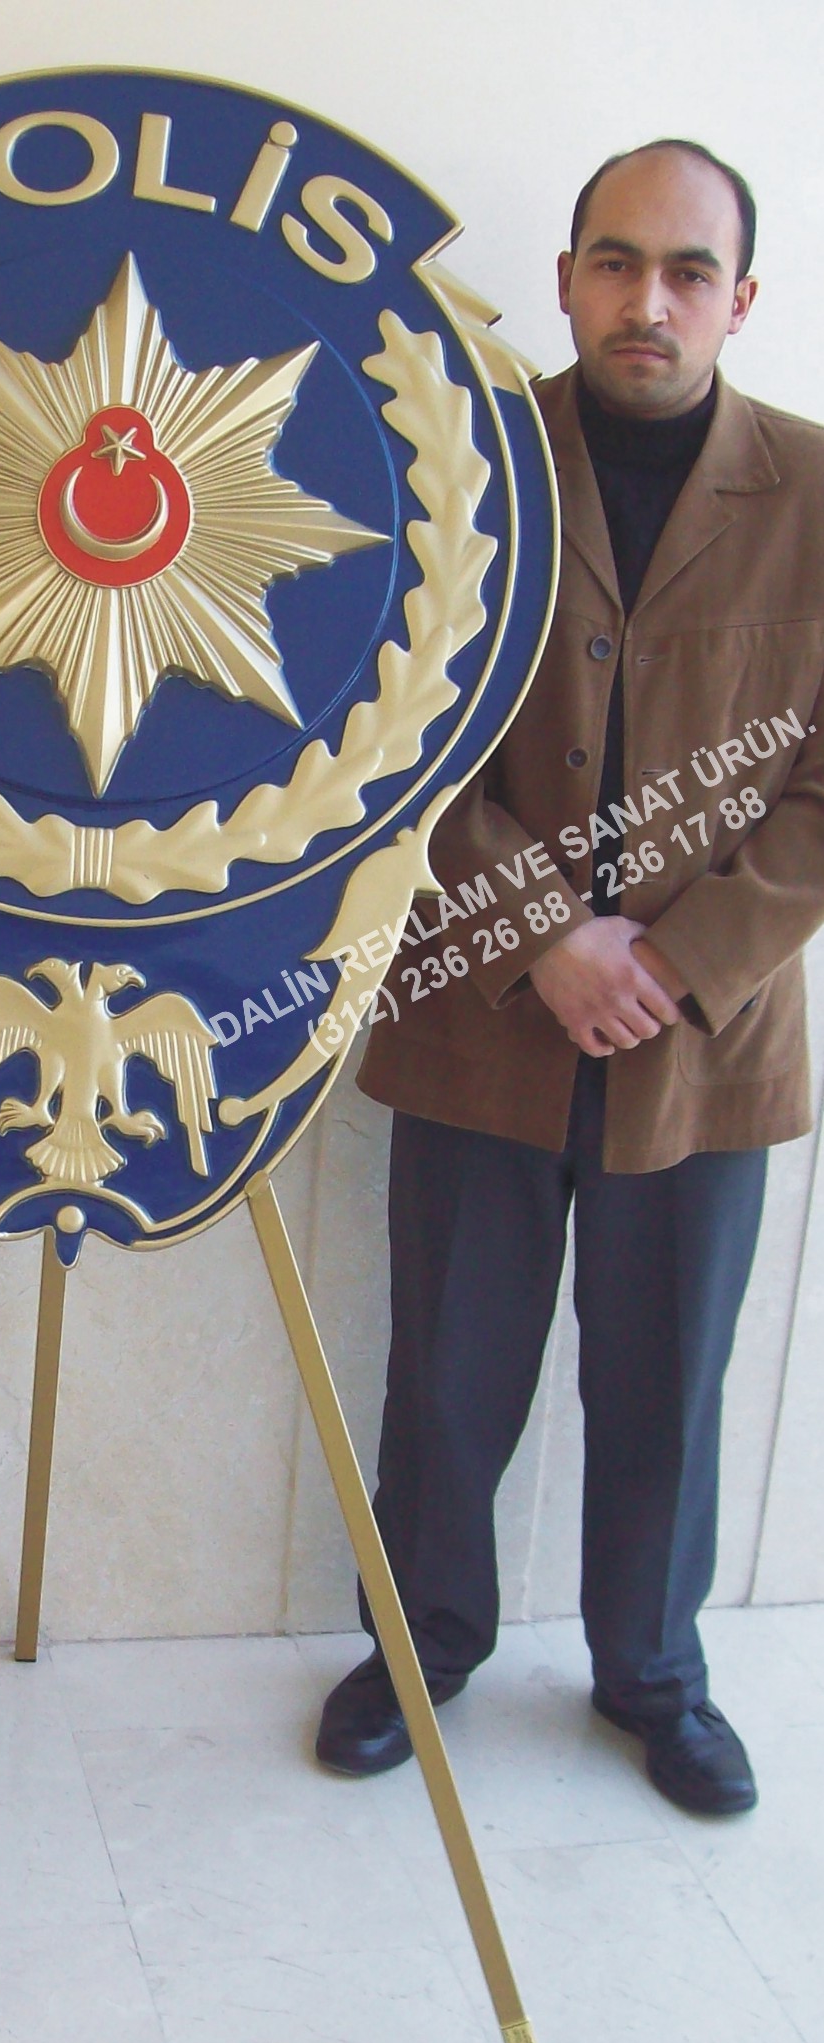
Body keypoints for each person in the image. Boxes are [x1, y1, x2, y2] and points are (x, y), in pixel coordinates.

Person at [319, 139, 824, 1815]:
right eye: (617, 263)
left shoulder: (819, 496)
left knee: (667, 1378)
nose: (648, 300)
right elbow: (384, 736)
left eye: (688, 271)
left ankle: (654, 1674)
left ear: (741, 299)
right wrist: (543, 933)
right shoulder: (452, 470)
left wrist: (676, 960)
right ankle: (418, 1648)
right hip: (485, 1007)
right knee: (448, 1371)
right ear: (566, 279)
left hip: (706, 1039)